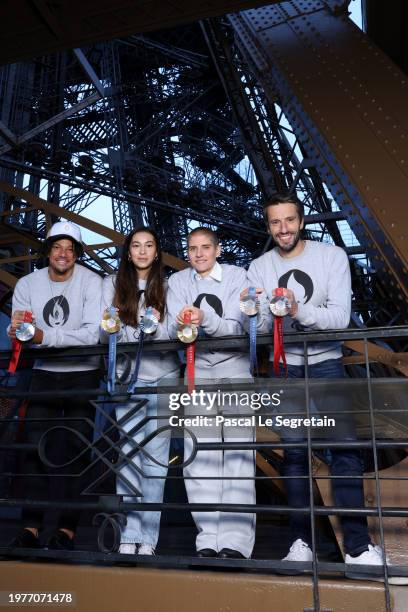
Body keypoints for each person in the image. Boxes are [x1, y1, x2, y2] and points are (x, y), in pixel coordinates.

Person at [245, 192, 394, 580]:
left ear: (302, 221)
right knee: (294, 457)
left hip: (327, 368)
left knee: (345, 454)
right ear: (268, 226)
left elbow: (340, 318)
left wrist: (298, 310)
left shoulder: (331, 257)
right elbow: (261, 328)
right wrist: (254, 314)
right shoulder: (259, 266)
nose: (283, 230)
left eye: (289, 221)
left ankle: (358, 548)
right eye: (275, 223)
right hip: (287, 371)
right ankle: (303, 544)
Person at [8, 221, 102, 550]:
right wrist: (19, 332)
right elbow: (23, 330)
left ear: (77, 254)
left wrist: (44, 337)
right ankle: (30, 527)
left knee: (75, 450)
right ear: (48, 251)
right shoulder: (28, 283)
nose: (63, 254)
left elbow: (93, 334)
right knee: (35, 450)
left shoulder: (92, 282)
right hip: (45, 372)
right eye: (57, 248)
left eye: (70, 249)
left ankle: (66, 530)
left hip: (83, 372)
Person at [167, 227, 255, 560]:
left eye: (206, 248)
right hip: (197, 375)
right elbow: (176, 331)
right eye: (192, 249)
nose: (199, 254)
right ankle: (208, 537)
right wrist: (183, 325)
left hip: (235, 374)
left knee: (238, 456)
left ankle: (235, 541)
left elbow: (240, 327)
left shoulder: (237, 276)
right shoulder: (177, 283)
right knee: (199, 457)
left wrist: (207, 319)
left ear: (218, 250)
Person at [100, 227, 178, 555]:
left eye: (149, 245)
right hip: (126, 380)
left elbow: (173, 334)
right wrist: (143, 332)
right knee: (128, 457)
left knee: (156, 461)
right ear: (128, 251)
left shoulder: (172, 286)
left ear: (157, 252)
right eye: (136, 245)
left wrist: (144, 331)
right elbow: (104, 333)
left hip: (162, 379)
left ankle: (149, 538)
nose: (142, 251)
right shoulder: (111, 285)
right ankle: (129, 535)